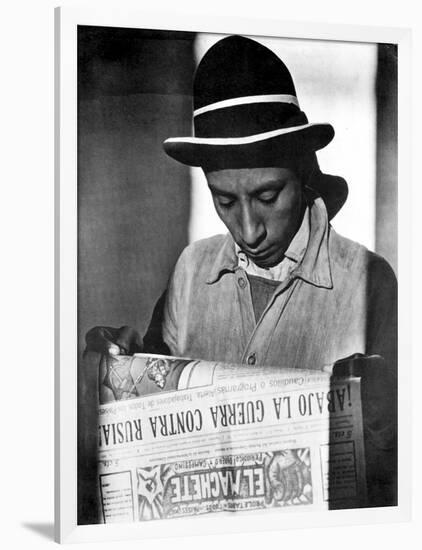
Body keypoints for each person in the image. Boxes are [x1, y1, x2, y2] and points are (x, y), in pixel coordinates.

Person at [84, 35, 397, 506]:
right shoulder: (191, 270)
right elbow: (151, 421)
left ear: (304, 172)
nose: (248, 230)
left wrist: (386, 422)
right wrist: (119, 369)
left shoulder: (368, 282)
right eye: (224, 200)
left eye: (268, 197)